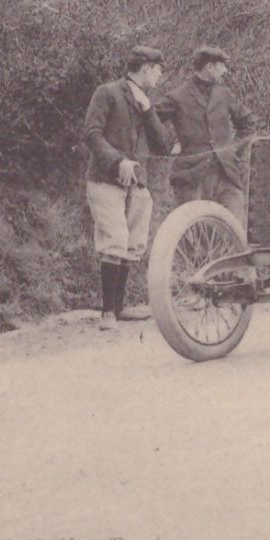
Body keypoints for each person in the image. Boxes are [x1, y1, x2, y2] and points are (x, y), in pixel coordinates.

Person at [83, 46, 171, 329]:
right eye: (158, 69)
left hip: (137, 183)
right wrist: (117, 161)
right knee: (114, 238)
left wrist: (149, 111)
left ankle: (120, 308)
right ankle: (108, 312)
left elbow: (162, 146)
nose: (160, 75)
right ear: (145, 67)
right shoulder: (107, 92)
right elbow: (92, 134)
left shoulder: (145, 102)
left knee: (133, 241)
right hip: (105, 179)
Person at [155, 46, 257, 225]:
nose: (225, 71)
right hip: (192, 177)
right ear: (210, 67)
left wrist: (233, 150)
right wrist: (169, 146)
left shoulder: (224, 94)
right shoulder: (177, 97)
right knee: (196, 233)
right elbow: (151, 123)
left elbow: (249, 122)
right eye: (222, 66)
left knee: (234, 230)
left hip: (227, 175)